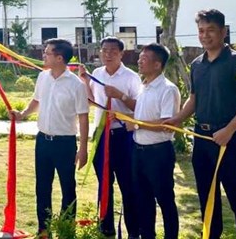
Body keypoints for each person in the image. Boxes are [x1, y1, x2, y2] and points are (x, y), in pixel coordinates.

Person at [165, 9, 236, 239]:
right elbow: (194, 98)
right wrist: (178, 118)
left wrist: (229, 130)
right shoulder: (197, 64)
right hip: (202, 138)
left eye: (211, 30)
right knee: (207, 195)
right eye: (201, 31)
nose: (205, 36)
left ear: (223, 32)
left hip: (229, 139)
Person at [11, 38, 89, 237]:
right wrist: (22, 114)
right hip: (43, 141)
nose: (43, 55)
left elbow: (83, 117)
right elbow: (36, 100)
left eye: (47, 53)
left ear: (60, 57)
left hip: (65, 143)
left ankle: (66, 228)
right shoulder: (43, 77)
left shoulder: (76, 85)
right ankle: (43, 229)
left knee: (67, 187)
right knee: (42, 187)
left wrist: (83, 149)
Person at [82, 37, 141, 238]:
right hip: (102, 136)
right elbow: (91, 101)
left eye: (113, 51)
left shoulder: (131, 77)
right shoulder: (97, 74)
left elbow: (139, 108)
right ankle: (105, 226)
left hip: (124, 136)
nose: (108, 54)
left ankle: (133, 230)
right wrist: (84, 80)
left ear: (121, 54)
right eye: (104, 50)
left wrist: (119, 96)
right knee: (104, 182)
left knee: (128, 184)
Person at [130, 43, 180, 239]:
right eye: (140, 57)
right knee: (143, 199)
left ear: (158, 64)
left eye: (144, 59)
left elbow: (167, 124)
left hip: (158, 153)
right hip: (139, 151)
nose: (139, 61)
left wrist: (136, 124)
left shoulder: (168, 89)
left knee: (165, 199)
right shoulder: (143, 86)